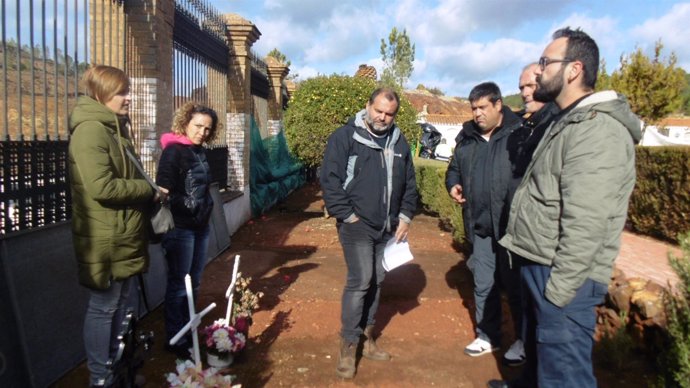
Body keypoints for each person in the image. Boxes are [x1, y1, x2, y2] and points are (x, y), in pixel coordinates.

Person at [489, 27, 641, 388]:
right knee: (539, 360)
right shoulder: (567, 120)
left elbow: (587, 221)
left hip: (562, 275)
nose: (538, 71)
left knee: (563, 376)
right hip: (540, 262)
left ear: (573, 70)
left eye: (545, 62)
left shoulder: (596, 130)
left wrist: (558, 292)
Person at [68, 65, 157, 387]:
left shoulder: (113, 128)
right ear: (101, 94)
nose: (128, 98)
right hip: (105, 239)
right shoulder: (91, 130)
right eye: (122, 92)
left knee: (121, 304)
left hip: (121, 234)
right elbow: (101, 187)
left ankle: (118, 369)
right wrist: (147, 189)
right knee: (104, 307)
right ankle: (101, 377)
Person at [320, 87, 418, 379]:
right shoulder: (345, 137)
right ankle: (348, 347)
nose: (383, 117)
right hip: (356, 225)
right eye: (379, 111)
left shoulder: (399, 142)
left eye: (389, 114)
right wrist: (347, 215)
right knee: (361, 279)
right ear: (368, 106)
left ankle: (368, 337)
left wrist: (405, 216)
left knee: (377, 279)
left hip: (387, 226)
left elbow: (409, 184)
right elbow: (330, 179)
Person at [445, 82, 526, 365]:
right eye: (474, 108)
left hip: (512, 228)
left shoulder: (519, 133)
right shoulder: (467, 139)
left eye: (483, 107)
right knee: (483, 283)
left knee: (516, 286)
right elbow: (453, 169)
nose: (477, 113)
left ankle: (523, 340)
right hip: (480, 225)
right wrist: (453, 184)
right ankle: (488, 336)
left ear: (498, 105)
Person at [156, 102, 218, 359]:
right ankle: (177, 337)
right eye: (198, 126)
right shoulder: (173, 152)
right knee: (180, 284)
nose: (202, 132)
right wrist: (192, 205)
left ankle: (189, 328)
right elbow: (163, 192)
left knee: (195, 280)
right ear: (184, 123)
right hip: (181, 228)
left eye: (207, 129)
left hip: (200, 226)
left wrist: (205, 206)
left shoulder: (199, 151)